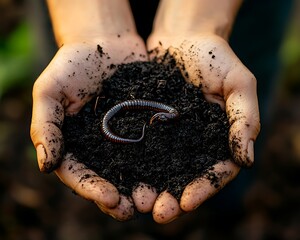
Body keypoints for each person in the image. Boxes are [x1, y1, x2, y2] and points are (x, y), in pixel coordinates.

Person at [30, 0, 260, 224]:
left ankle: (223, 215)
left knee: (227, 177)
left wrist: (198, 22)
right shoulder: (159, 112)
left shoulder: (170, 113)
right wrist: (89, 29)